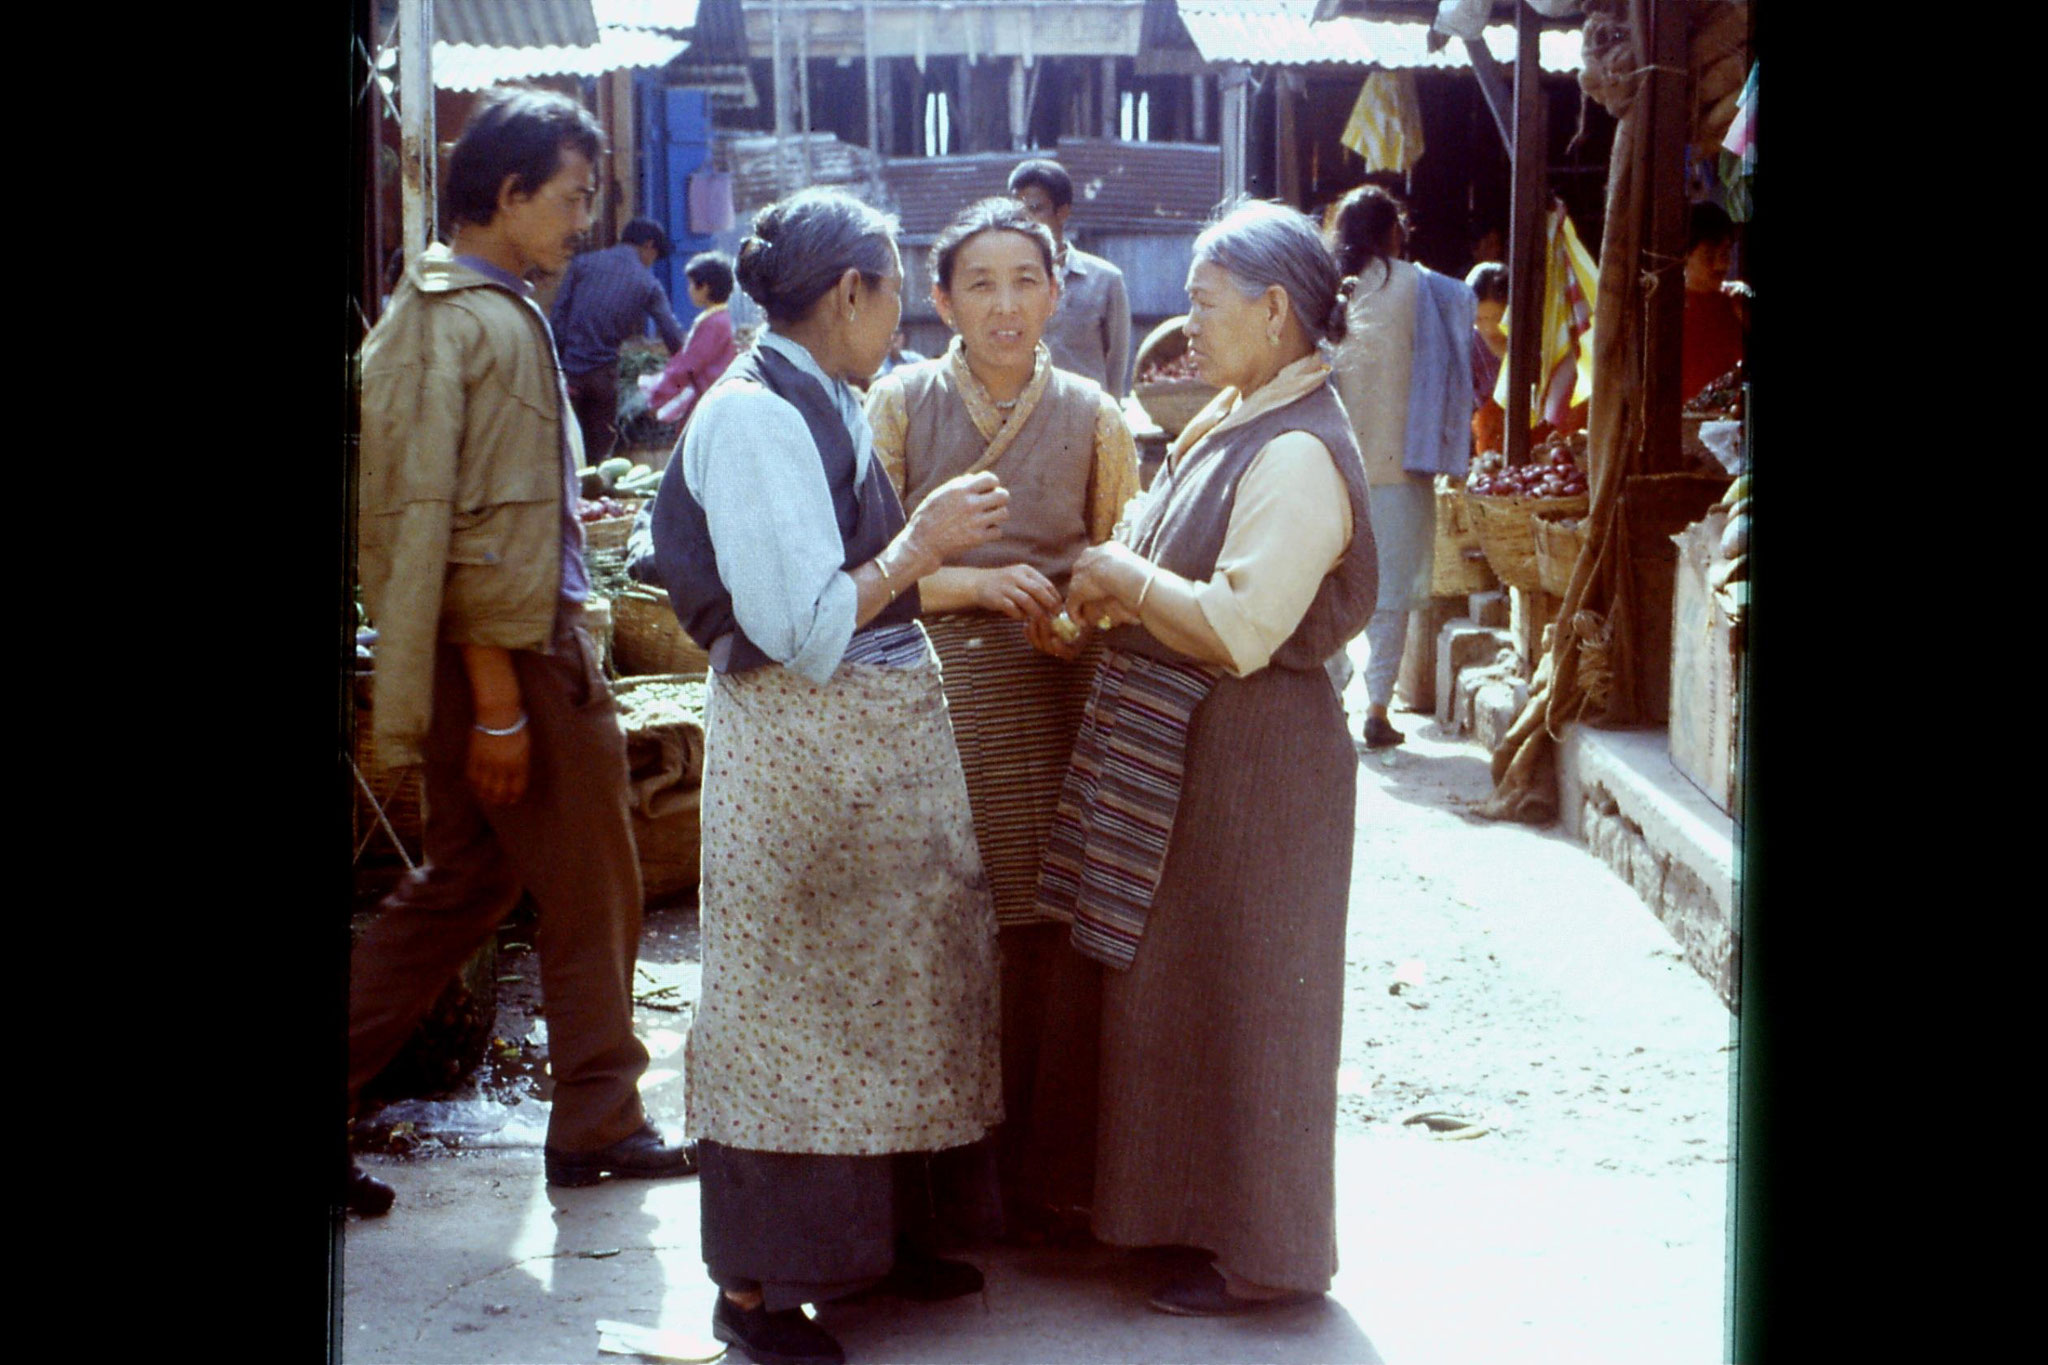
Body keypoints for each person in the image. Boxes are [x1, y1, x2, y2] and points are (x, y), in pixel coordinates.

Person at [627, 187, 1013, 1365]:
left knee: (885, 999)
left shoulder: (824, 394)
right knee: (791, 1017)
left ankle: (872, 1247)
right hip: (800, 761)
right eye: (896, 289)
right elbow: (797, 625)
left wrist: (924, 566)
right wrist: (925, 544)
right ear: (849, 292)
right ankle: (758, 1292)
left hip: (861, 754)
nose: (905, 314)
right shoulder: (748, 418)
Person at [346, 88, 699, 1220]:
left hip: (490, 657)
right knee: (593, 893)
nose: (580, 224)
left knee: (462, 886)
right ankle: (600, 1119)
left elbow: (467, 513)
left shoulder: (445, 312)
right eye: (568, 199)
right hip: (517, 662)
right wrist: (500, 702)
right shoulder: (478, 321)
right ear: (504, 195)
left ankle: (594, 1114)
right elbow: (457, 534)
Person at [1038, 199, 1377, 1315]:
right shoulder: (1236, 415)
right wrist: (1105, 586)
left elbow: (1239, 627)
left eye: (1203, 300)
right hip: (1188, 745)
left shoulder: (1295, 450)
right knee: (1173, 989)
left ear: (1274, 311)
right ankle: (1167, 1219)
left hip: (1255, 764)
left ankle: (1264, 1257)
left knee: (1251, 1003)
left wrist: (1122, 581)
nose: (1186, 322)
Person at [864, 196, 1140, 1239]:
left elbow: (1120, 565)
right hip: (925, 695)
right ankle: (938, 1189)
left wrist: (1075, 615)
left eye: (1025, 281)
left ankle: (1041, 1176)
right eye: (977, 283)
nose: (1004, 305)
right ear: (937, 301)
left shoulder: (1093, 415)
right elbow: (861, 578)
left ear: (1059, 293)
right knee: (943, 923)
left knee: (1043, 932)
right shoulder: (897, 407)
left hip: (1055, 692)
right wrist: (971, 589)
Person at [1326, 184, 1477, 751]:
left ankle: (1332, 696)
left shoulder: (1328, 290)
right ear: (1393, 231)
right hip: (1402, 463)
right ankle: (1378, 706)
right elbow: (1469, 312)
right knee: (1389, 593)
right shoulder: (1420, 286)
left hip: (1332, 464)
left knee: (1330, 585)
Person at [552, 216, 688, 464]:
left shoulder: (583, 264)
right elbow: (672, 336)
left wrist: (561, 362)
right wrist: (690, 373)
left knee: (563, 450)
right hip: (603, 379)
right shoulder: (647, 284)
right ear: (648, 245)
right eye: (654, 256)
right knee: (598, 456)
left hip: (567, 373)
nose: (651, 263)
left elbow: (558, 317)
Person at [1009, 158, 1133, 399]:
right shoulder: (1003, 285)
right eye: (1017, 211)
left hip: (1084, 419)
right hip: (1018, 419)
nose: (1024, 220)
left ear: (1062, 212)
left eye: (1035, 208)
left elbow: (1116, 365)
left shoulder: (1105, 280)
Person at [644, 251, 739, 429]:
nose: (688, 290)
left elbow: (689, 365)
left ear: (705, 287)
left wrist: (659, 394)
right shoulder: (720, 318)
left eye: (692, 284)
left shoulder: (713, 323)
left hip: (705, 400)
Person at [1681, 202, 1747, 403]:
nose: (1721, 264)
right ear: (1684, 255)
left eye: (1726, 253)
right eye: (1709, 254)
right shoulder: (1665, 308)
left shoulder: (1737, 302)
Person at [1466, 260, 1508, 457]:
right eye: (1480, 319)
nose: (1489, 329)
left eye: (1497, 318)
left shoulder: (1531, 339)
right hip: (1491, 449)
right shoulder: (1470, 345)